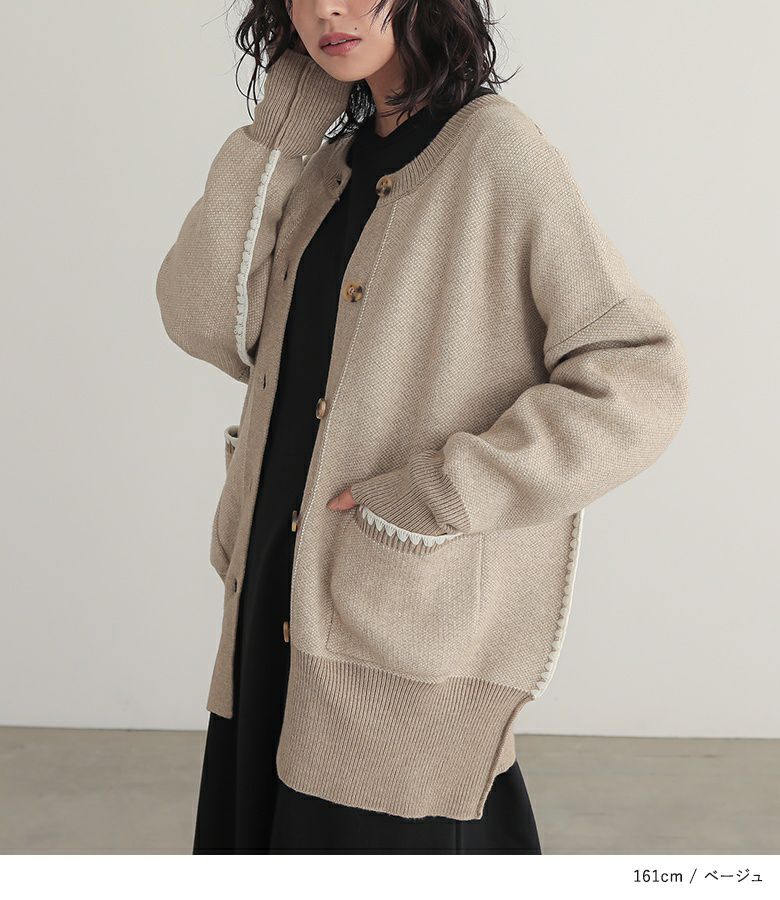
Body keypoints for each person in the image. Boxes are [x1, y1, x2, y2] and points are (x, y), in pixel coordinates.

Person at [155, 0, 688, 854]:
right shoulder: (324, 171)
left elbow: (639, 374)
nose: (326, 8)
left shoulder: (495, 153)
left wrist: (447, 491)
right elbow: (200, 320)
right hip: (270, 618)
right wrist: (276, 135)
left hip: (395, 636)